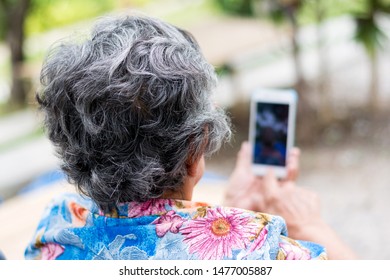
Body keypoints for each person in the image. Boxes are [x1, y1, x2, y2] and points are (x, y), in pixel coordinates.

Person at [24, 14, 356, 260]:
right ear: (195, 147)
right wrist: (312, 227)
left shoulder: (55, 231)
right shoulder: (268, 255)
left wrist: (230, 212)